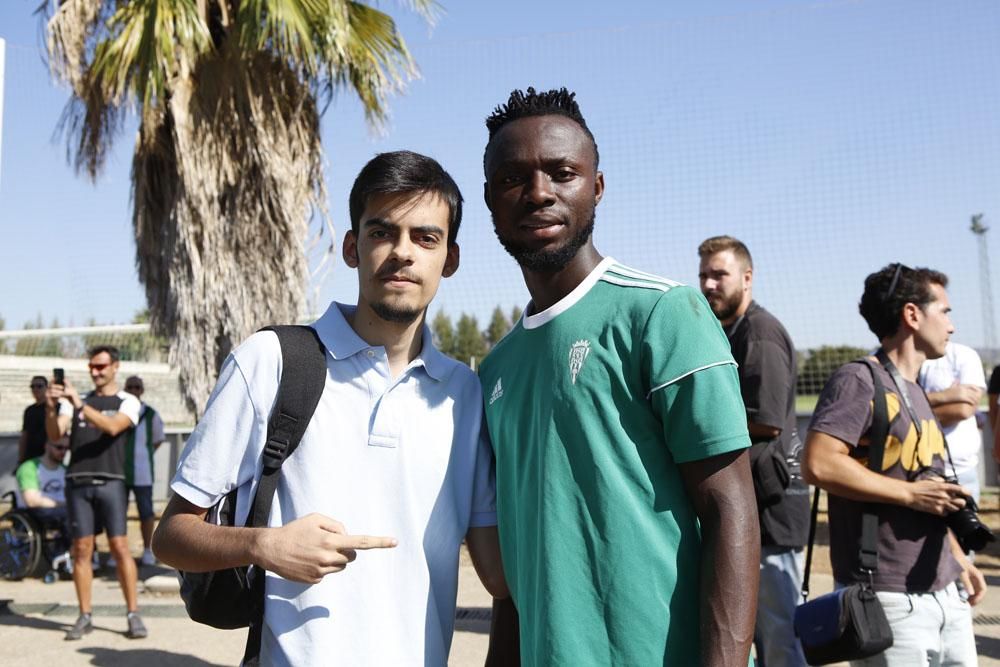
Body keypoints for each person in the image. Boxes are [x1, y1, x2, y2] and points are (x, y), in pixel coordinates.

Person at [152, 150, 506, 666]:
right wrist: (262, 544)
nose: (402, 252)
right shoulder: (271, 361)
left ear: (449, 258)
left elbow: (496, 574)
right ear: (351, 247)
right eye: (382, 232)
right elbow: (171, 536)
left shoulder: (465, 394)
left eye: (425, 237)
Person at [479, 87, 759, 666]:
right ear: (489, 199)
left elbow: (732, 508)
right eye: (513, 179)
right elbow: (517, 562)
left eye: (562, 173)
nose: (538, 194)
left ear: (597, 187)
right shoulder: (497, 367)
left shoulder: (662, 312)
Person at [803, 264, 985, 666]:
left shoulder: (917, 392)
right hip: (887, 596)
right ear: (912, 315)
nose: (952, 326)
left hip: (944, 591)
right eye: (946, 311)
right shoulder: (859, 380)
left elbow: (930, 491)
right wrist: (909, 494)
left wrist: (957, 561)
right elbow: (817, 462)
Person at [698, 235, 809, 667]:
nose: (709, 283)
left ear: (747, 278)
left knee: (780, 640)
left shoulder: (759, 333)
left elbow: (764, 420)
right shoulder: (731, 331)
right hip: (754, 507)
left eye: (719, 274)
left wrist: (691, 432)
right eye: (704, 274)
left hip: (771, 513)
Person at [45, 345, 146, 640]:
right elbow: (55, 434)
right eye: (92, 366)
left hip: (112, 480)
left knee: (120, 548)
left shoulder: (128, 401)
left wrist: (79, 405)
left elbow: (113, 427)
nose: (95, 372)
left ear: (115, 366)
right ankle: (84, 615)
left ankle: (133, 614)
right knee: (82, 551)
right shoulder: (76, 402)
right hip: (78, 481)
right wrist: (52, 406)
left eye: (101, 366)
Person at [918, 342, 987, 503]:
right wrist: (944, 396)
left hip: (960, 472)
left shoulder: (963, 355)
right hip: (911, 474)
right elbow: (888, 411)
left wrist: (906, 409)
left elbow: (963, 410)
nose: (951, 327)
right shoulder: (886, 359)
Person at [122, 375, 165, 566]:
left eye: (137, 387)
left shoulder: (151, 414)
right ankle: (121, 553)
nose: (133, 390)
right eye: (130, 387)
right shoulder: (118, 412)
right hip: (119, 471)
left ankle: (148, 550)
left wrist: (142, 455)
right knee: (117, 513)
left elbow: (157, 440)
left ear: (142, 390)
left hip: (143, 472)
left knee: (146, 512)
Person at [16, 435, 69, 510]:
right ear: (47, 446)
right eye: (59, 447)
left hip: (64, 514)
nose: (63, 452)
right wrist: (62, 504)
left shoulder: (66, 469)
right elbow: (32, 501)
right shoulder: (29, 467)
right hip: (38, 515)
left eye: (67, 448)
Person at [18, 376, 50, 464]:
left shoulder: (55, 408)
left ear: (47, 388)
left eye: (39, 386)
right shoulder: (29, 410)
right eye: (32, 386)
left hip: (49, 458)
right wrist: (20, 460)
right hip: (30, 458)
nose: (35, 389)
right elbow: (25, 435)